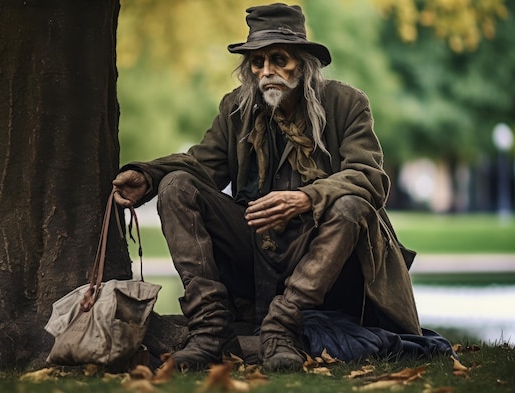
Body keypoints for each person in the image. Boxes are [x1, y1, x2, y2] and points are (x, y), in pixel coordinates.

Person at [113, 3, 422, 372]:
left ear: (304, 62)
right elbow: (200, 167)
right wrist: (147, 176)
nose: (266, 71)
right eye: (257, 62)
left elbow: (369, 176)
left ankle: (282, 327)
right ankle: (210, 330)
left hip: (323, 251)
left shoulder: (347, 103)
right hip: (257, 246)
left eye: (278, 59)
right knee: (177, 185)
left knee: (352, 205)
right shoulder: (235, 108)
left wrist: (307, 198)